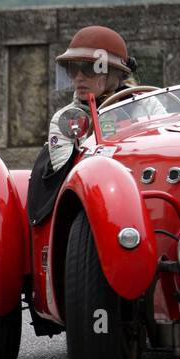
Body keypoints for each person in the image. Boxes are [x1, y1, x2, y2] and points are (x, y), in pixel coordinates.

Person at [28, 26, 136, 225]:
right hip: (88, 203)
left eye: (88, 68)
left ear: (113, 73)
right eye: (72, 69)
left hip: (139, 189)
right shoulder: (66, 118)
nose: (79, 77)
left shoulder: (144, 105)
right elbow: (70, 177)